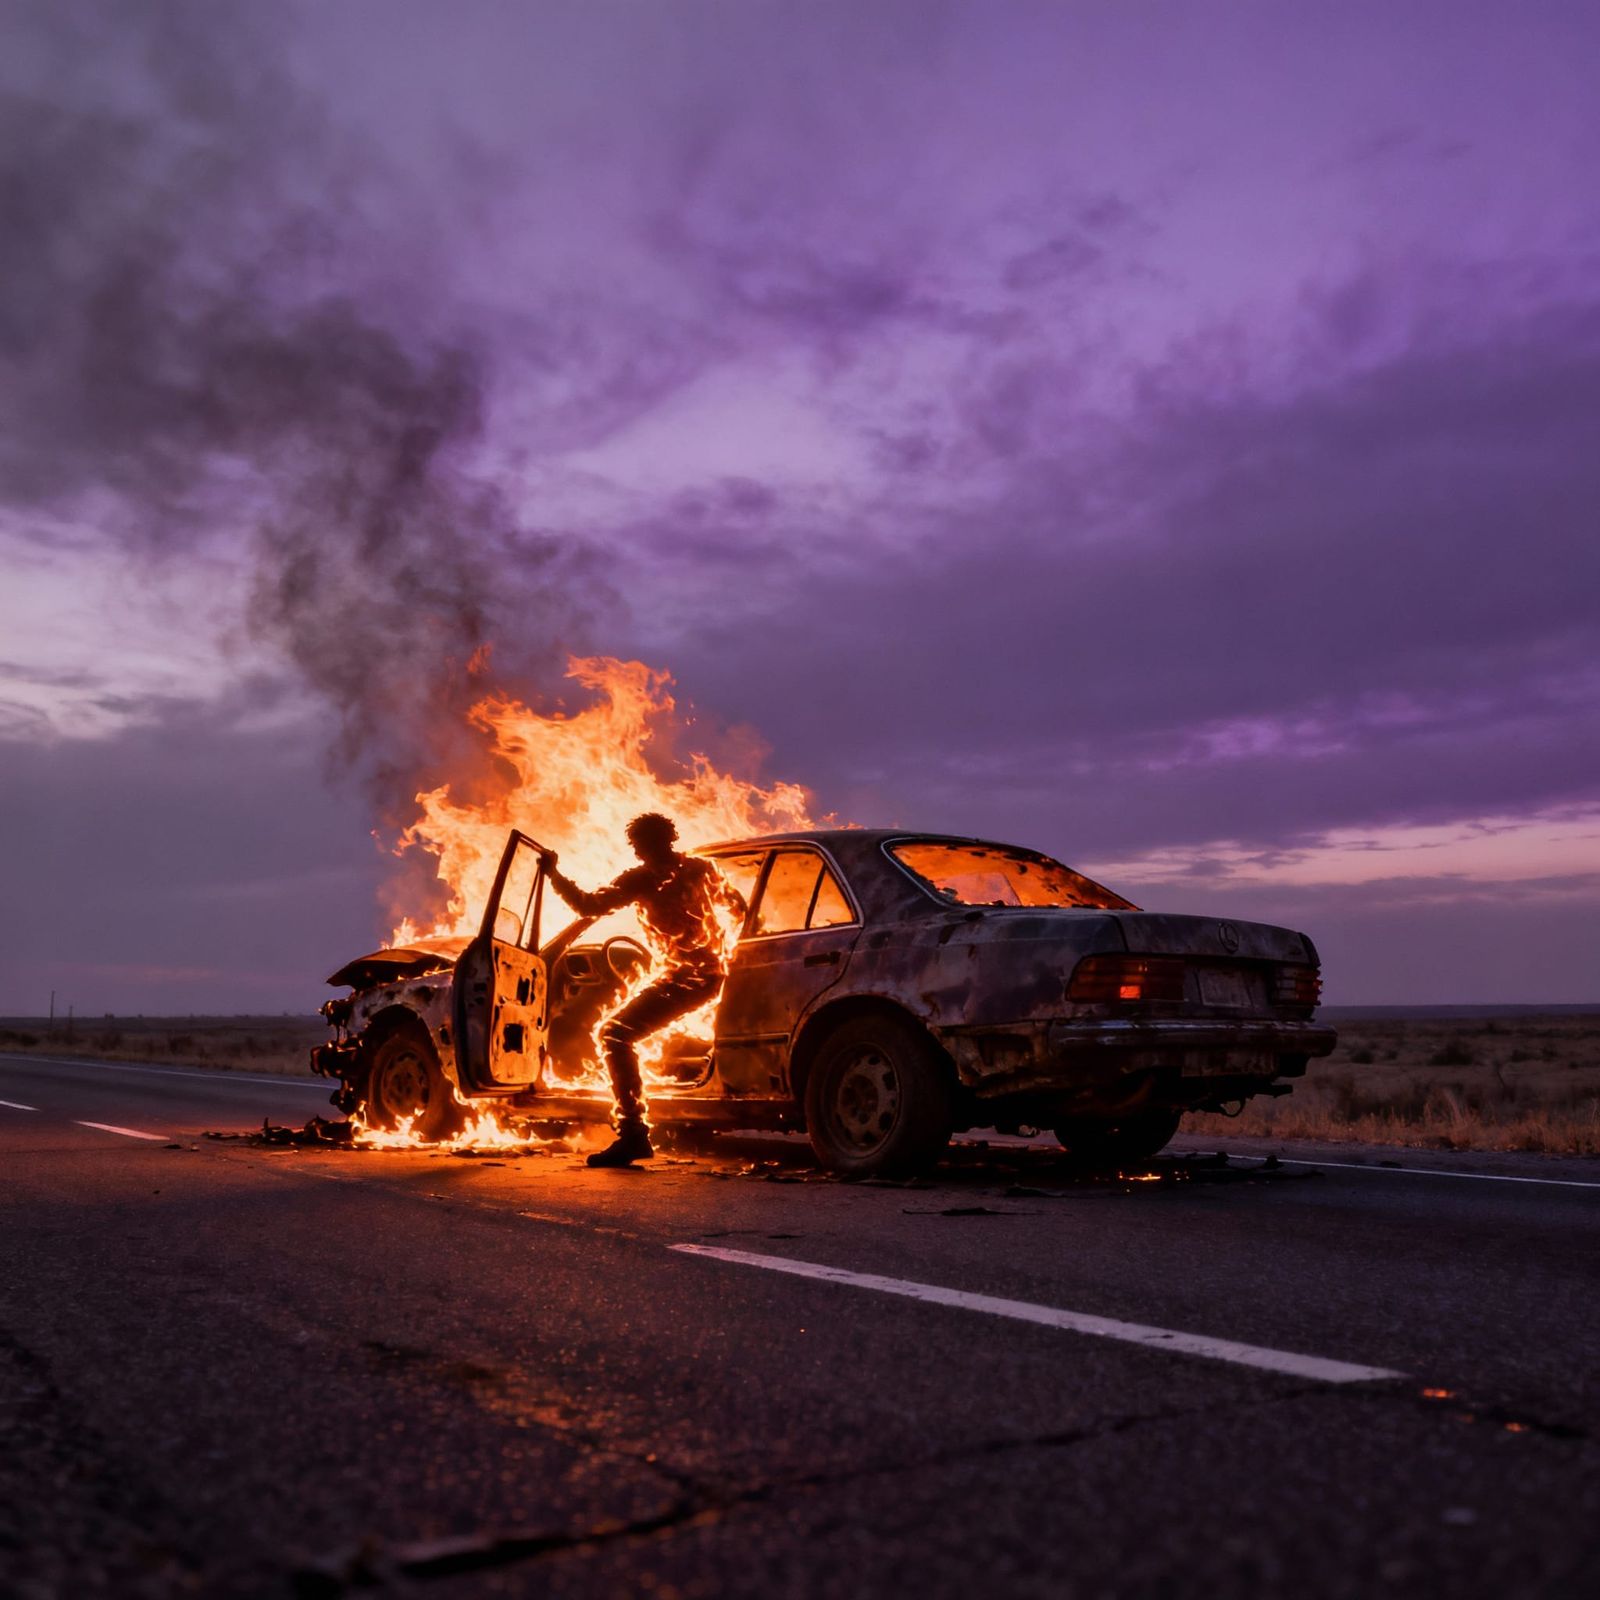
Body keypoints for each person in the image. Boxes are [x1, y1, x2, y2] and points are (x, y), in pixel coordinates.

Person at [545, 813, 747, 1168]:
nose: (637, 850)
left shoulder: (641, 879)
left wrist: (553, 873)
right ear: (670, 838)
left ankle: (633, 1133)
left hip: (686, 977)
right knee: (623, 1031)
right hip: (712, 972)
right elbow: (739, 909)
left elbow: (587, 906)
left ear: (641, 847)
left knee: (614, 1034)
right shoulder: (700, 869)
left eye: (638, 844)